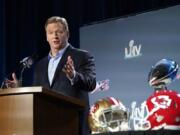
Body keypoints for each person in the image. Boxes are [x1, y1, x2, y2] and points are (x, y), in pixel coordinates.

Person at [5, 16, 96, 135]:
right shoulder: (40, 65)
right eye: (51, 32)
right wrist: (20, 90)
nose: (55, 36)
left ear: (67, 34)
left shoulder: (83, 56)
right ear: (47, 37)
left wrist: (74, 75)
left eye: (59, 32)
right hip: (47, 127)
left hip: (73, 125)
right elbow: (38, 98)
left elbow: (91, 84)